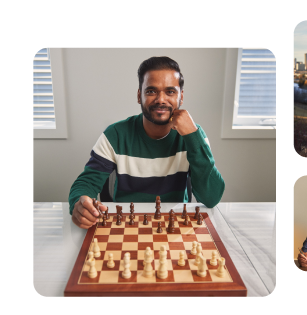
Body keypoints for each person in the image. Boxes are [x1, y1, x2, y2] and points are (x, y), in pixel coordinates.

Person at [69, 56, 225, 229]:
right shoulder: (115, 135)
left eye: (170, 92)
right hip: (126, 226)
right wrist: (79, 202)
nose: (161, 99)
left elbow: (211, 198)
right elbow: (87, 183)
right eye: (151, 91)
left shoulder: (193, 134)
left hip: (175, 227)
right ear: (139, 96)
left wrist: (192, 136)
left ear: (181, 97)